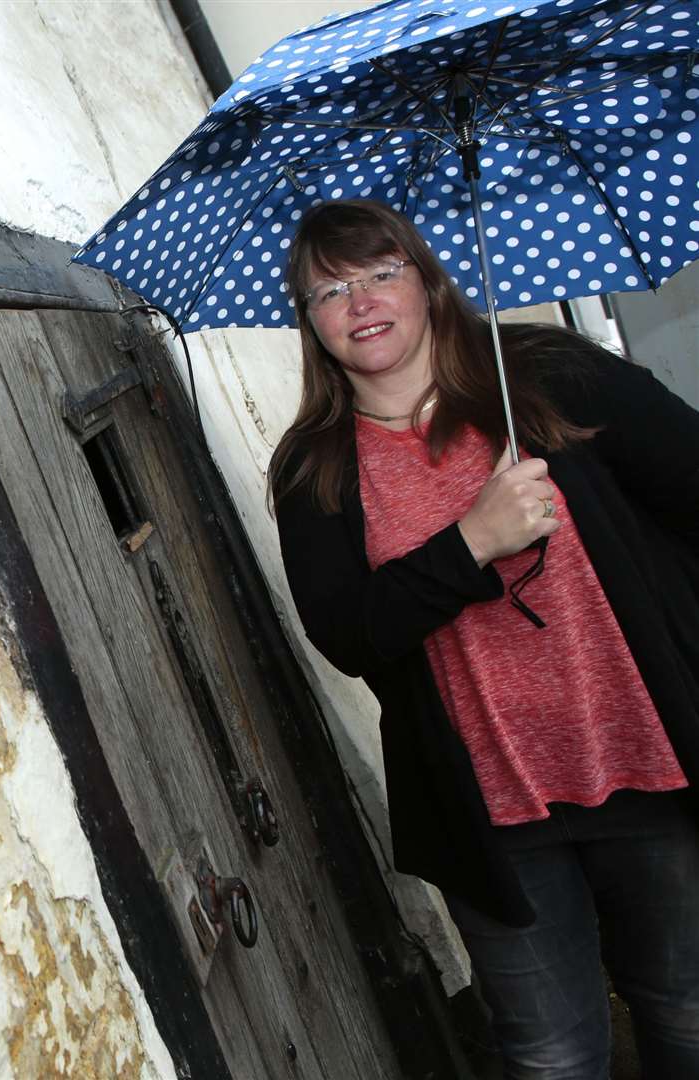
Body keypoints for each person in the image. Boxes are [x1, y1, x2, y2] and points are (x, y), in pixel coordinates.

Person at [268, 199, 699, 1079]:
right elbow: (351, 635)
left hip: (646, 756)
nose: (360, 301)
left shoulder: (546, 379)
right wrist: (471, 541)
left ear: (425, 280)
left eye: (382, 271)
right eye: (330, 290)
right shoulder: (318, 465)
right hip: (490, 807)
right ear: (311, 324)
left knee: (687, 1011)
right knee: (550, 1057)